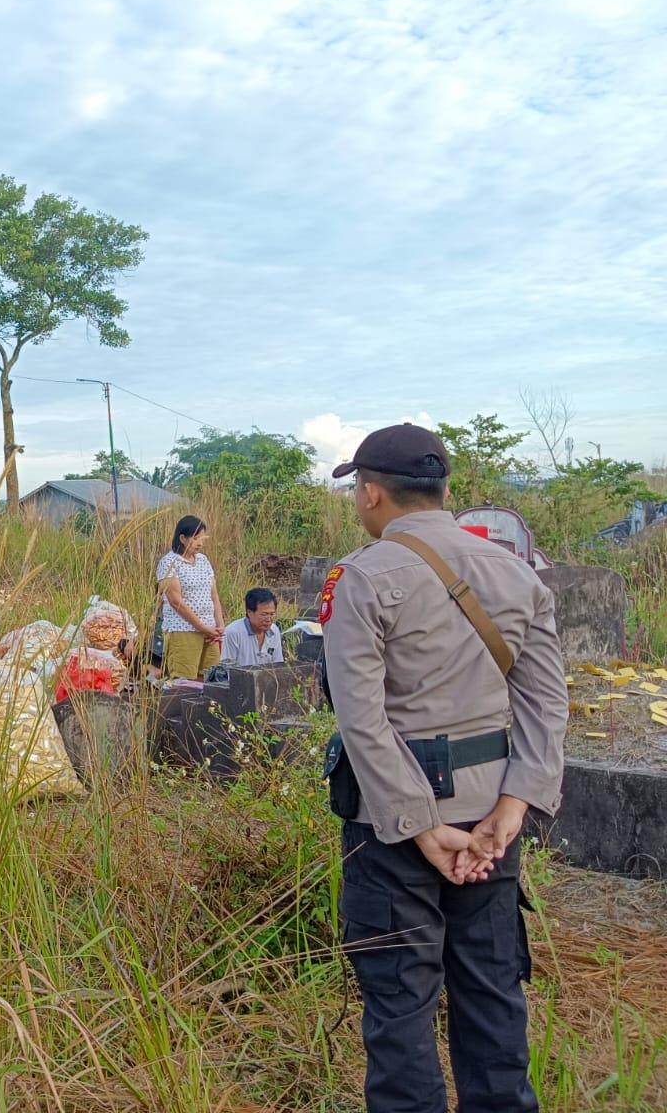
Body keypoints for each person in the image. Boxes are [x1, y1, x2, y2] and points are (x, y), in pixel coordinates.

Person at [321, 424, 567, 1113]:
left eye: (357, 490)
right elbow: (547, 703)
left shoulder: (363, 576)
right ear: (444, 488)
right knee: (492, 990)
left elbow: (362, 719)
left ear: (371, 492)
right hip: (491, 823)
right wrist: (513, 809)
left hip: (392, 828)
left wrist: (422, 826)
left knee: (401, 1002)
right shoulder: (517, 573)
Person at [156, 515, 223, 680]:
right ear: (183, 538)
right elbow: (175, 601)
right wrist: (202, 627)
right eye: (195, 538)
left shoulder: (203, 560)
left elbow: (214, 595)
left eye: (202, 538)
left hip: (210, 630)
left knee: (210, 678)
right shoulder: (169, 562)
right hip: (183, 629)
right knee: (184, 681)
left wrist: (219, 625)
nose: (200, 543)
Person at [221, 588, 284, 666]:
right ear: (249, 612)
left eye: (272, 614)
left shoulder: (274, 630)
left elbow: (278, 664)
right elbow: (227, 668)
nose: (268, 619)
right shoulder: (233, 632)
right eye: (264, 614)